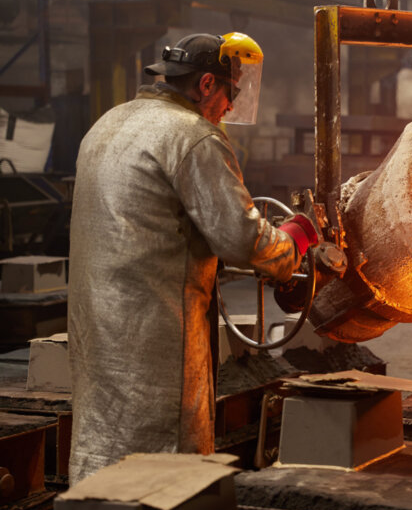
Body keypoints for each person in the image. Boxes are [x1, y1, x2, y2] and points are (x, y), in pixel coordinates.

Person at [67, 32, 318, 484]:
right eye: (230, 95)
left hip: (99, 339)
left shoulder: (107, 124)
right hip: (156, 344)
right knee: (165, 479)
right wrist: (296, 238)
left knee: (104, 467)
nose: (229, 108)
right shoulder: (193, 137)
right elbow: (244, 242)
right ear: (206, 85)